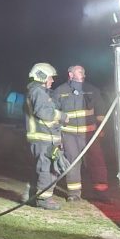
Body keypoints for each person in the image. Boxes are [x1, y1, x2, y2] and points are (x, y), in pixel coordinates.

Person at [53, 64, 107, 201]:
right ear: (70, 74)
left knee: (96, 161)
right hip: (69, 135)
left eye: (83, 71)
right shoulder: (60, 91)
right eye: (79, 71)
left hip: (90, 134)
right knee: (73, 162)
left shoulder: (92, 90)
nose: (83, 73)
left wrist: (101, 128)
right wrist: (57, 134)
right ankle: (74, 194)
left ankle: (101, 192)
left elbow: (101, 111)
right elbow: (54, 114)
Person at [24, 62, 62, 210]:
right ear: (42, 76)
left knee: (41, 169)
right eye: (50, 78)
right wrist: (62, 116)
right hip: (42, 138)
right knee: (45, 169)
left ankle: (33, 198)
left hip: (41, 138)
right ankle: (43, 200)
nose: (52, 81)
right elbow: (44, 113)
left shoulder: (36, 91)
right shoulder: (38, 92)